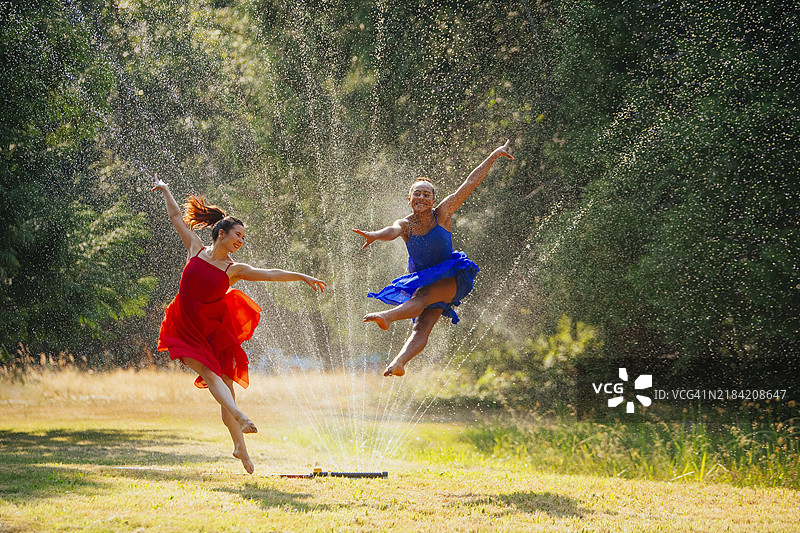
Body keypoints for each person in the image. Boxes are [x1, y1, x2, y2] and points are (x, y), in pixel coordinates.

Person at [152, 176, 326, 474]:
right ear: (220, 233)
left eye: (243, 237)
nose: (241, 241)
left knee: (226, 388)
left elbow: (270, 274)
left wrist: (302, 276)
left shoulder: (234, 269)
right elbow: (176, 217)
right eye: (237, 234)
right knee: (210, 374)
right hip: (183, 325)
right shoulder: (195, 248)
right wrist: (166, 190)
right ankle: (240, 416)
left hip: (211, 330)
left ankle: (239, 447)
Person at [353, 141, 512, 377]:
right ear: (409, 199)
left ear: (433, 200)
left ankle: (387, 316)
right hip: (426, 278)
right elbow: (392, 231)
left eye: (426, 194)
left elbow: (469, 184)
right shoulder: (405, 224)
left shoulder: (443, 214)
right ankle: (399, 363)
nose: (421, 197)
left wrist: (493, 156)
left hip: (452, 275)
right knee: (421, 327)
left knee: (423, 297)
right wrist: (375, 235)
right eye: (416, 193)